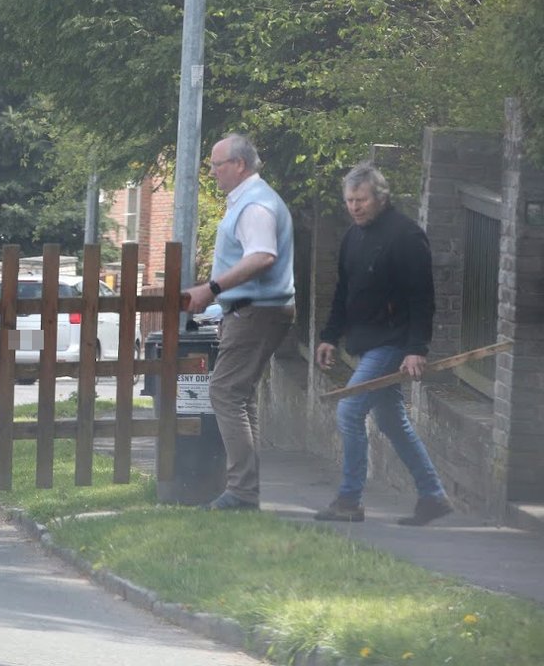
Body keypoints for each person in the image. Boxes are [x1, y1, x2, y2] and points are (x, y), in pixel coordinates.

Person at [313, 163, 453, 526]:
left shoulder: (406, 236)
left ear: (380, 197)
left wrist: (416, 348)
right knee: (392, 421)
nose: (354, 207)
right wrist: (329, 336)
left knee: (349, 412)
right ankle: (432, 496)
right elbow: (343, 292)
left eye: (361, 200)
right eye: (349, 201)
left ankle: (349, 500)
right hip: (367, 341)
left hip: (393, 343)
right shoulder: (352, 237)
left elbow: (423, 297)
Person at [185, 134, 295, 511]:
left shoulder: (255, 206)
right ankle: (244, 489)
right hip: (253, 310)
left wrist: (211, 289)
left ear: (240, 165)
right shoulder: (252, 201)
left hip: (255, 310)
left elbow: (262, 256)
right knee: (240, 395)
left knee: (225, 392)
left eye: (218, 165)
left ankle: (242, 492)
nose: (213, 172)